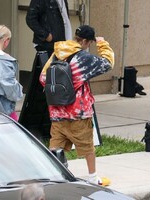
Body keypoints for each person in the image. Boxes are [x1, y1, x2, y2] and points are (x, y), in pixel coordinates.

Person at [39, 25, 115, 186]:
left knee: (55, 147)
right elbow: (108, 63)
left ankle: (54, 178)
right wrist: (102, 44)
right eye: (90, 43)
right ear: (86, 41)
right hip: (78, 112)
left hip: (57, 112)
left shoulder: (57, 53)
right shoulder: (82, 58)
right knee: (87, 147)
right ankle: (93, 178)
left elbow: (43, 78)